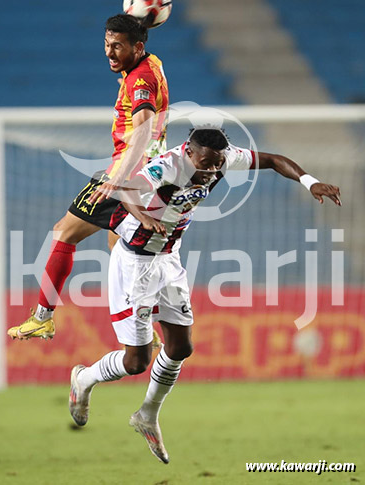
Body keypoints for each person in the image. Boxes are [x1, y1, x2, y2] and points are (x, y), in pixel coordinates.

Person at [68, 127, 341, 464]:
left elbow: (272, 160)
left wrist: (309, 181)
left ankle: (147, 415)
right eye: (206, 164)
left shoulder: (221, 158)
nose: (212, 172)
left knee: (181, 347)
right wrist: (144, 219)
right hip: (135, 264)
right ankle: (84, 378)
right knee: (136, 362)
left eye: (217, 165)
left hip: (168, 260)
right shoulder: (167, 165)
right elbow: (127, 191)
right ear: (189, 153)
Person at [8, 14, 169, 342]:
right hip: (151, 175)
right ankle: (146, 326)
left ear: (137, 47)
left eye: (118, 47)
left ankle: (43, 316)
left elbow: (144, 129)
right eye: (107, 45)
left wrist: (117, 179)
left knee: (63, 232)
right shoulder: (148, 63)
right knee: (123, 253)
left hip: (127, 174)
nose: (110, 53)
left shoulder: (140, 80)